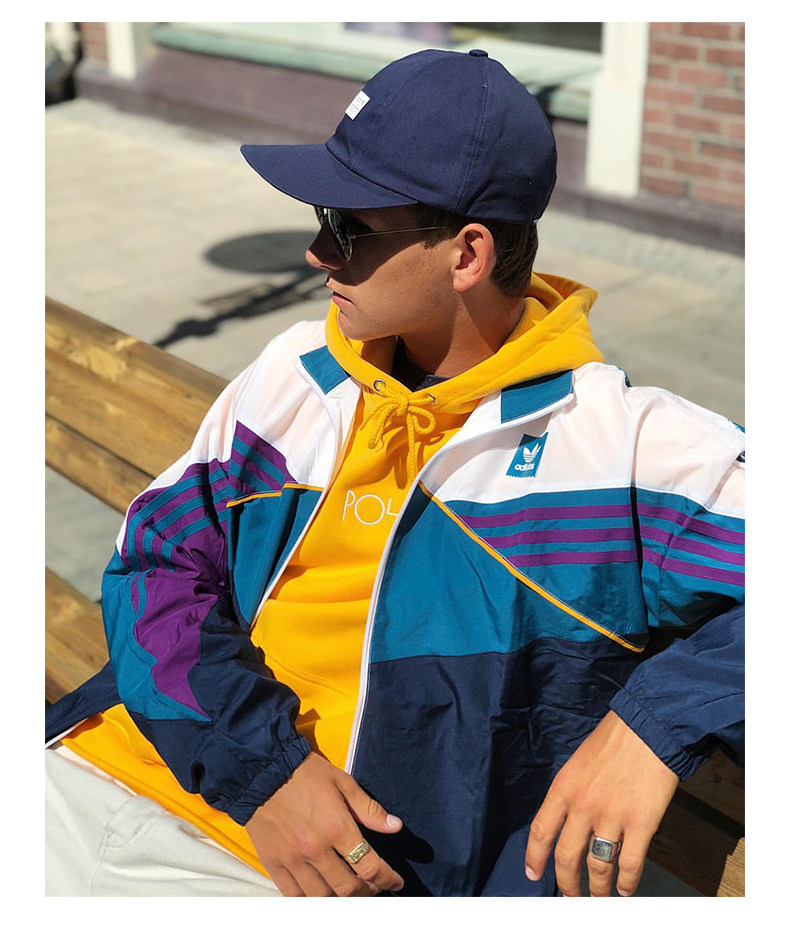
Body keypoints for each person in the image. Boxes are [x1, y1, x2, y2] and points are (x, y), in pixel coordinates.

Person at [45, 48, 745, 898]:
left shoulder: (621, 448)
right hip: (93, 769)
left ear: (467, 255)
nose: (316, 252)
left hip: (282, 877)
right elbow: (153, 560)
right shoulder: (298, 369)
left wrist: (654, 723)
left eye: (348, 226)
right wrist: (261, 769)